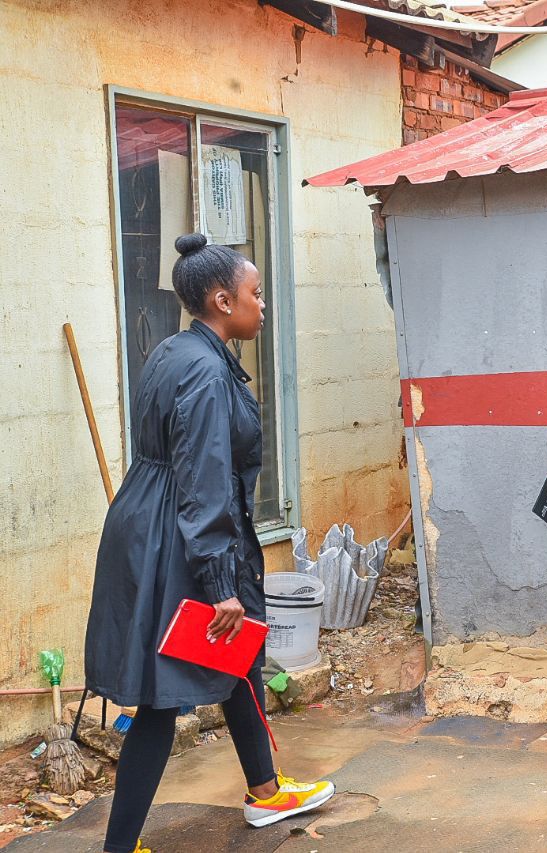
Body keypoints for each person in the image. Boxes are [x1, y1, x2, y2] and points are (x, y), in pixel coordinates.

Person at [84, 234, 333, 853]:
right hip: (177, 537)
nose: (262, 305)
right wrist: (221, 583)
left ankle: (266, 791)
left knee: (236, 655)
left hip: (149, 519)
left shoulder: (178, 350)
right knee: (164, 696)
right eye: (254, 294)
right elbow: (203, 480)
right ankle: (119, 848)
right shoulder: (203, 369)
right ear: (223, 300)